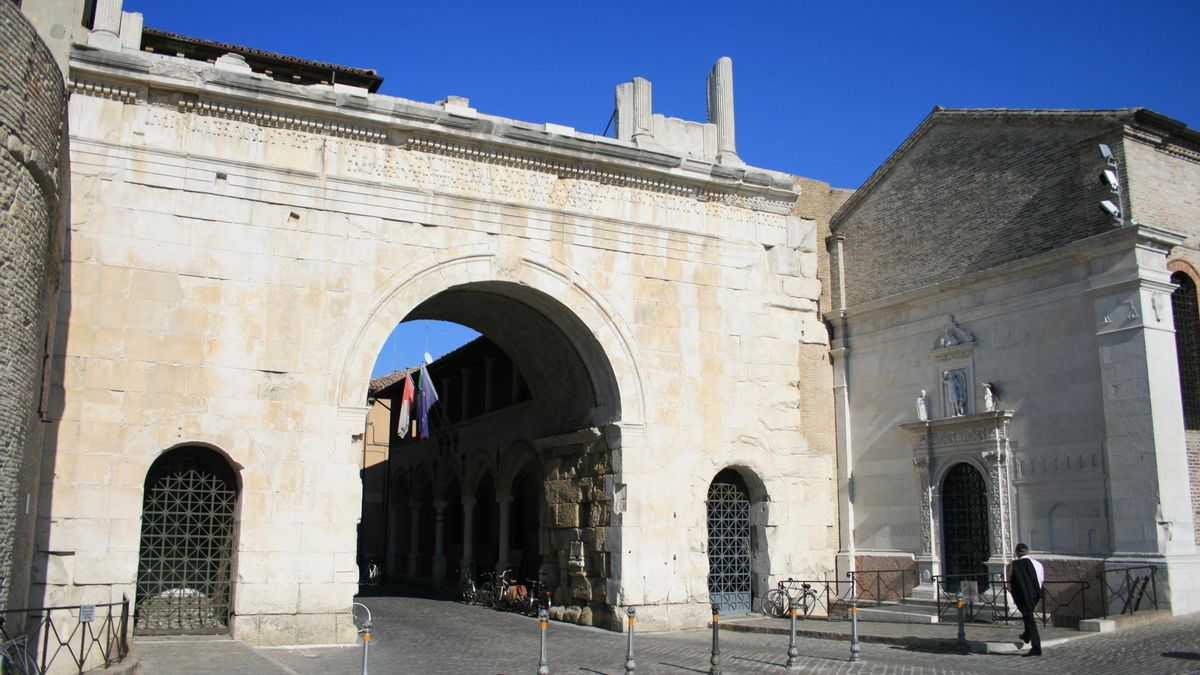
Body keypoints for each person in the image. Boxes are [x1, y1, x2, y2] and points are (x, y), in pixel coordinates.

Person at [1009, 543, 1044, 656]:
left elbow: (1015, 583)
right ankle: (1026, 635)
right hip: (1035, 594)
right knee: (1028, 616)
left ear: (1017, 553)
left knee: (1029, 619)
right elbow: (1041, 579)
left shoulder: (1017, 565)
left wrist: (1016, 597)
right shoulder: (1037, 564)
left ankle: (1036, 648)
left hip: (1024, 596)